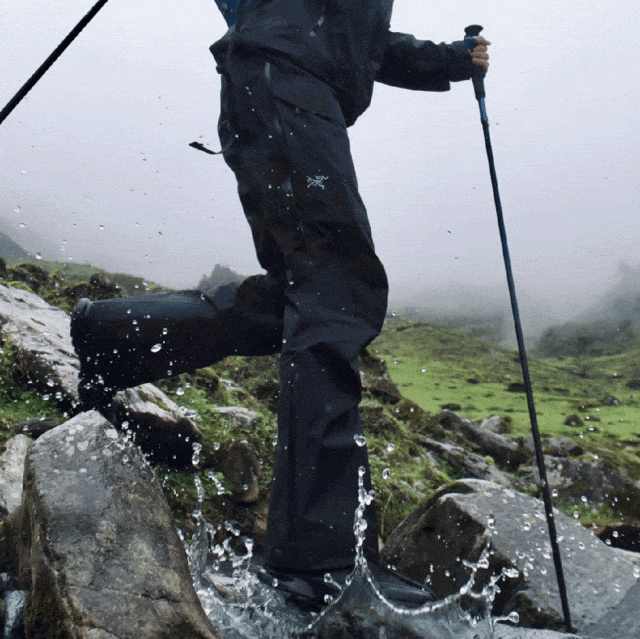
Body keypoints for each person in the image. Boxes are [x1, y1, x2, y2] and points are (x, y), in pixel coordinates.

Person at [71, 0, 489, 612]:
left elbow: (351, 36)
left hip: (283, 91)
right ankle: (317, 568)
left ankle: (113, 337)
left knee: (310, 292)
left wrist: (449, 61)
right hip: (286, 90)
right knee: (335, 290)